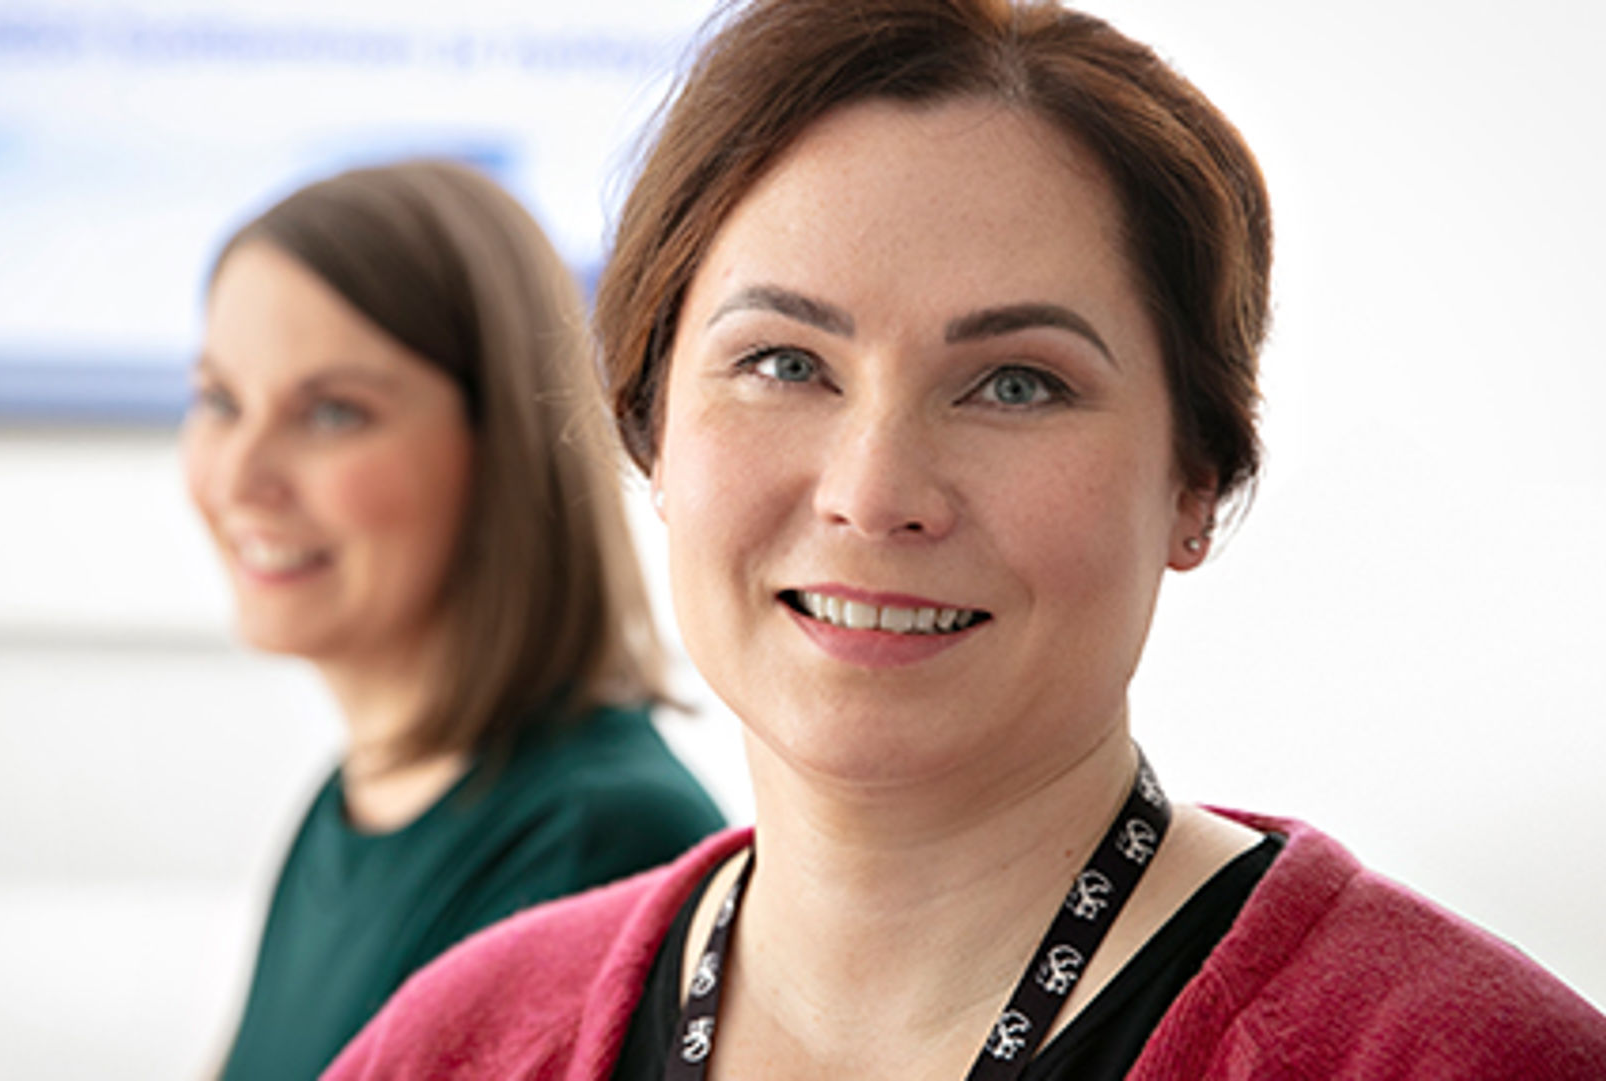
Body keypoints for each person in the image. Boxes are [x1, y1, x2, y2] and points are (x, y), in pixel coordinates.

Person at [320, 2, 1606, 1079]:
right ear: (651, 426)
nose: (874, 492)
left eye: (1016, 384)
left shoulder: (1456, 1058)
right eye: (784, 362)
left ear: (1196, 482)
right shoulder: (458, 1040)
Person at [181, 159, 725, 1080]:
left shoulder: (600, 841)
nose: (240, 476)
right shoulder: (351, 804)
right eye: (220, 401)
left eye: (332, 413)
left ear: (502, 447)